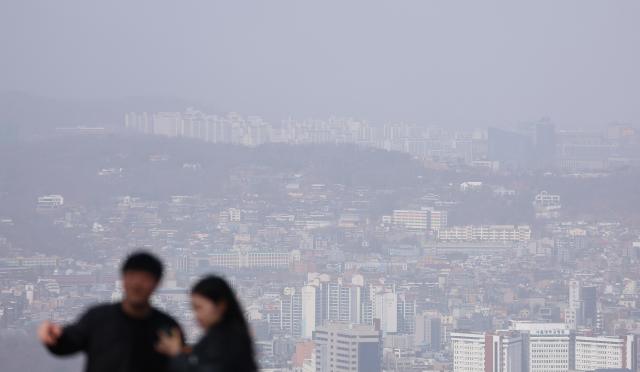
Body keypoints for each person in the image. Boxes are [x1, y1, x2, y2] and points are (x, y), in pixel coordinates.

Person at [39, 252, 183, 372]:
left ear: (157, 283)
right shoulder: (98, 318)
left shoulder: (167, 327)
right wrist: (53, 337)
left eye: (145, 278)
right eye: (132, 276)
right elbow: (69, 342)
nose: (137, 284)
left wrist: (178, 356)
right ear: (123, 279)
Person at [155, 276, 257, 372]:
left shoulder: (229, 341)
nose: (196, 316)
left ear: (221, 305)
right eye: (194, 309)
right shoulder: (219, 337)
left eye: (199, 307)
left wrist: (176, 354)